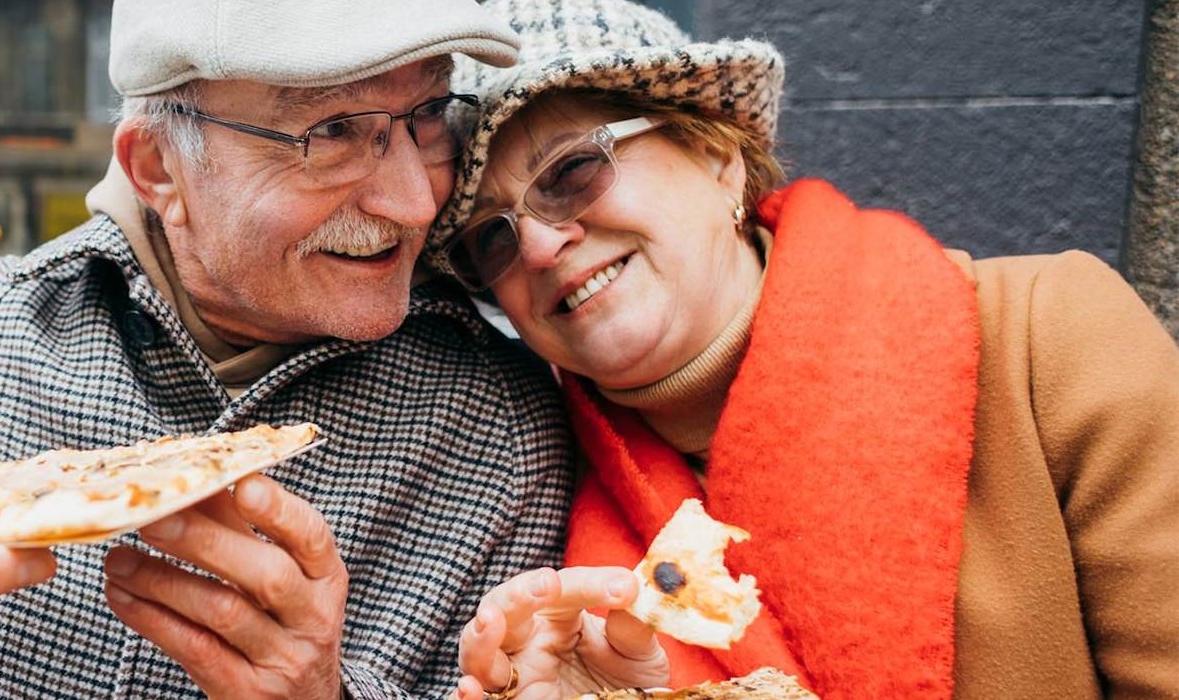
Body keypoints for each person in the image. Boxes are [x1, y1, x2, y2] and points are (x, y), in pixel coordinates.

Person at [0, 2, 672, 698]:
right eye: (332, 133)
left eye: (426, 116)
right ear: (158, 164)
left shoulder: (501, 427)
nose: (410, 198)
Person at [432, 1, 1179, 699]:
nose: (534, 245)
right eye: (489, 239)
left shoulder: (1048, 337)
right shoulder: (530, 502)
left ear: (715, 151)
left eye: (572, 171)